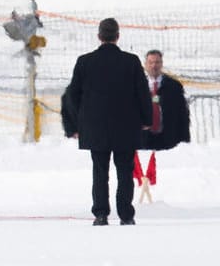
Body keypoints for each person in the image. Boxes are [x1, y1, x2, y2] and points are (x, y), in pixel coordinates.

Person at [61, 17, 152, 226]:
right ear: (118, 36)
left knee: (100, 170)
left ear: (99, 36)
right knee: (124, 170)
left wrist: (75, 125)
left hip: (95, 127)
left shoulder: (84, 62)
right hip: (126, 126)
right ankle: (126, 214)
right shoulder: (131, 61)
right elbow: (142, 94)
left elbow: (72, 95)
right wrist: (146, 119)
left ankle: (101, 214)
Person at [135, 49, 190, 191]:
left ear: (162, 64)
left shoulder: (173, 86)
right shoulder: (136, 85)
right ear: (145, 64)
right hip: (143, 138)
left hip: (167, 136)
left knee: (166, 174)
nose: (154, 65)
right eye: (151, 62)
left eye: (157, 62)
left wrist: (184, 138)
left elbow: (182, 113)